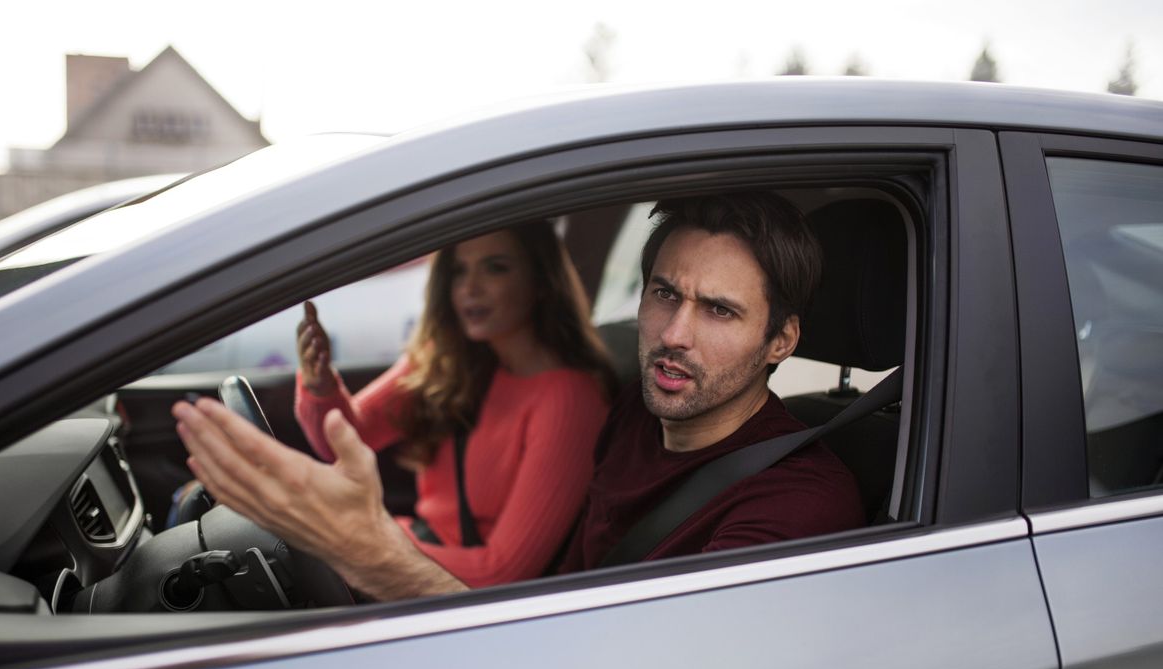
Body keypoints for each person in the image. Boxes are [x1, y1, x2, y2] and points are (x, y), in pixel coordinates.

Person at [172, 191, 864, 602]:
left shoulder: (795, 504)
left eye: (718, 310)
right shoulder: (636, 410)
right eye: (663, 294)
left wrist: (374, 553)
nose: (673, 334)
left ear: (781, 340)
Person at [289, 223, 616, 588]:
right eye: (459, 271)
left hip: (453, 596)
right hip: (412, 555)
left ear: (541, 280)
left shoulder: (569, 399)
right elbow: (346, 439)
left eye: (496, 267)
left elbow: (502, 572)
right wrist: (320, 385)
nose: (469, 288)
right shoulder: (448, 360)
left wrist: (364, 545)